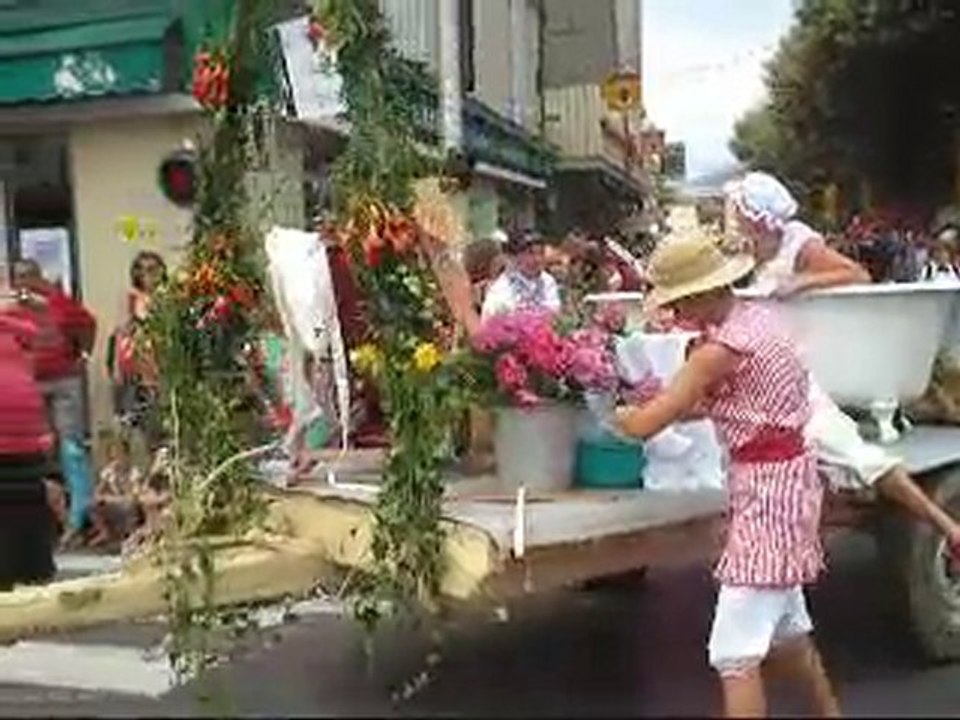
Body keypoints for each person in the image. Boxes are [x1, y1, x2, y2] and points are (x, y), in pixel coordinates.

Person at [614, 228, 840, 718]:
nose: (674, 315)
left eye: (677, 303)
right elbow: (742, 403)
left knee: (733, 653)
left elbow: (648, 423)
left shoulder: (717, 352)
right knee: (790, 634)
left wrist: (618, 413)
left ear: (698, 294)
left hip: (766, 499)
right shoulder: (759, 321)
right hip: (790, 486)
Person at [728, 171, 960, 557]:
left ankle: (946, 526)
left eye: (739, 209)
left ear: (758, 213)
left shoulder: (799, 242)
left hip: (806, 362)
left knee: (853, 454)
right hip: (783, 361)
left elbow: (856, 275)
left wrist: (801, 284)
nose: (734, 217)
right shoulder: (756, 246)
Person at [11, 259, 97, 548]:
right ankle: (46, 523)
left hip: (63, 381)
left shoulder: (57, 301)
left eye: (29, 275)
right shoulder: (12, 308)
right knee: (38, 451)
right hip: (30, 385)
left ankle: (79, 518)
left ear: (39, 276)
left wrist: (83, 355)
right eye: (19, 277)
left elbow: (87, 324)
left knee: (71, 447)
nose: (25, 282)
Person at [0, 289, 57, 590]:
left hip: (25, 441)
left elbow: (49, 343)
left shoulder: (16, 324)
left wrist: (40, 310)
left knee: (25, 513)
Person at [109, 251, 167, 450]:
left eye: (152, 269)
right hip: (134, 371)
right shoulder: (131, 298)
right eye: (141, 269)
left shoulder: (168, 298)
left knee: (160, 434)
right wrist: (117, 370)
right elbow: (120, 333)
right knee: (130, 429)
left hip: (160, 370)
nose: (147, 274)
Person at [480, 229, 561, 320]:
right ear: (516, 256)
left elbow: (554, 314)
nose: (537, 259)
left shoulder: (547, 282)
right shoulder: (503, 287)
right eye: (530, 253)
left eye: (541, 253)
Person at [88, 433, 143, 547]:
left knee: (129, 505)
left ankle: (131, 534)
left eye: (119, 456)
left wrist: (111, 498)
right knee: (92, 505)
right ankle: (104, 532)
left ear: (127, 456)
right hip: (116, 503)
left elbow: (133, 496)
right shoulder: (108, 472)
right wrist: (102, 491)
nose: (116, 460)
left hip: (128, 504)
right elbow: (97, 493)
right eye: (113, 457)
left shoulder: (134, 472)